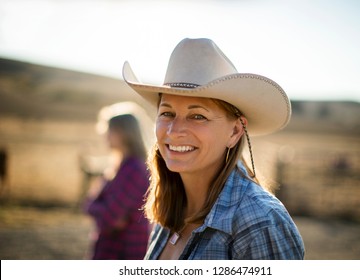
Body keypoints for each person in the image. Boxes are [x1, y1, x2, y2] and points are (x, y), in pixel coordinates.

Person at [122, 38, 305, 259]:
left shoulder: (261, 223)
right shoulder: (171, 209)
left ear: (235, 132)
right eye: (167, 113)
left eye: (198, 116)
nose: (174, 130)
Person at [84, 114, 150, 259]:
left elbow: (110, 218)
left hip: (126, 252)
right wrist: (98, 208)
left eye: (110, 131)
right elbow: (89, 204)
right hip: (110, 249)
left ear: (124, 133)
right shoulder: (118, 167)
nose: (105, 136)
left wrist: (97, 209)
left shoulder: (134, 170)